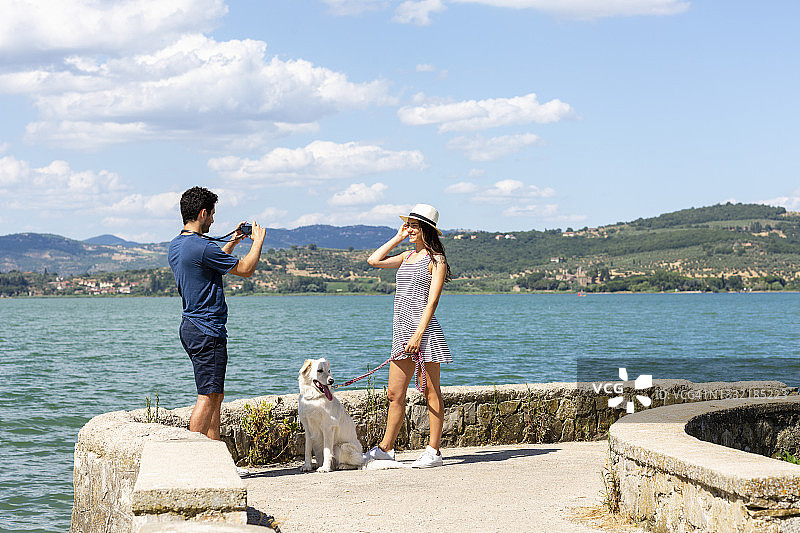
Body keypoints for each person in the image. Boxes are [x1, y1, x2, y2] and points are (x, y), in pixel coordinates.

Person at [168, 186, 266, 440]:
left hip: (191, 326)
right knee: (207, 396)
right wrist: (258, 243)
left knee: (215, 394)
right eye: (212, 214)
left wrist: (233, 241)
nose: (213, 220)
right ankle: (195, 460)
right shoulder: (201, 246)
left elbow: (211, 262)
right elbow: (245, 269)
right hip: (207, 329)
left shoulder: (178, 245)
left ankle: (215, 456)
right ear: (202, 213)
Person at [364, 203, 452, 468]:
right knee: (394, 393)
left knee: (430, 391)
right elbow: (373, 260)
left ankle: (434, 451)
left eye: (414, 225)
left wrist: (418, 334)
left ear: (426, 229)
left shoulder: (437, 261)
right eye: (409, 224)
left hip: (422, 333)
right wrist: (398, 236)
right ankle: (386, 449)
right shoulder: (405, 256)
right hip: (401, 333)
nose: (410, 229)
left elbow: (432, 302)